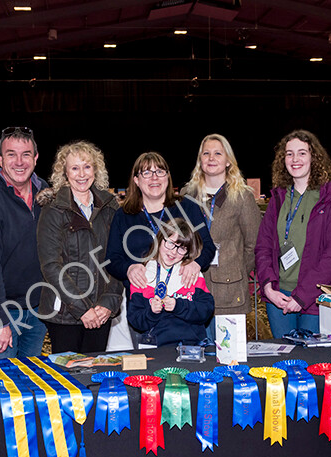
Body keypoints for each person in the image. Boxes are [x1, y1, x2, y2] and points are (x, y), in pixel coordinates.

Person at [105, 152, 216, 347]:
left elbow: (208, 248)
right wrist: (129, 269)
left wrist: (196, 264)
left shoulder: (187, 207)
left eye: (159, 171)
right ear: (136, 181)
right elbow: (112, 258)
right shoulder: (123, 215)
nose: (154, 177)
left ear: (168, 177)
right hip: (144, 308)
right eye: (146, 173)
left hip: (184, 304)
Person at [254, 129, 331, 338]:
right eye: (289, 154)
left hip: (316, 298)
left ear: (314, 157)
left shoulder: (330, 198)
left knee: (313, 364)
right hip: (279, 298)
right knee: (284, 364)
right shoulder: (278, 197)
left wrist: (302, 296)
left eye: (302, 153)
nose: (295, 159)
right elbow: (263, 245)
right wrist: (268, 287)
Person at [0, 126, 48, 358]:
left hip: (37, 309)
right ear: (0, 158)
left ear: (35, 158)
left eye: (26, 154)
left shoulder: (46, 193)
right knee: (6, 384)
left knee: (31, 376)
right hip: (3, 312)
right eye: (11, 154)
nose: (19, 162)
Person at [36, 141, 122, 353]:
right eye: (74, 168)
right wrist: (83, 309)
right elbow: (51, 266)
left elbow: (119, 260)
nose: (81, 174)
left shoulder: (110, 207)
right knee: (68, 380)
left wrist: (108, 303)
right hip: (65, 315)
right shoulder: (53, 210)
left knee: (97, 375)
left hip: (102, 312)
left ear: (96, 169)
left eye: (87, 166)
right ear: (65, 173)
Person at [181, 134, 261, 341]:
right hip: (192, 286)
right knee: (197, 359)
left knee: (230, 356)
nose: (211, 158)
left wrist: (236, 270)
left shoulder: (242, 196)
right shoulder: (187, 195)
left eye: (218, 153)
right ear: (200, 160)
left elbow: (253, 244)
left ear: (228, 161)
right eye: (206, 153)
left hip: (230, 289)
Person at [127, 218, 214, 346]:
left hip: (191, 346)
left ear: (187, 252)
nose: (173, 252)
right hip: (156, 347)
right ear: (160, 239)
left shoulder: (191, 274)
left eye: (182, 248)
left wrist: (178, 306)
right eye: (170, 243)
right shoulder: (142, 276)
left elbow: (206, 310)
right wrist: (151, 313)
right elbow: (135, 319)